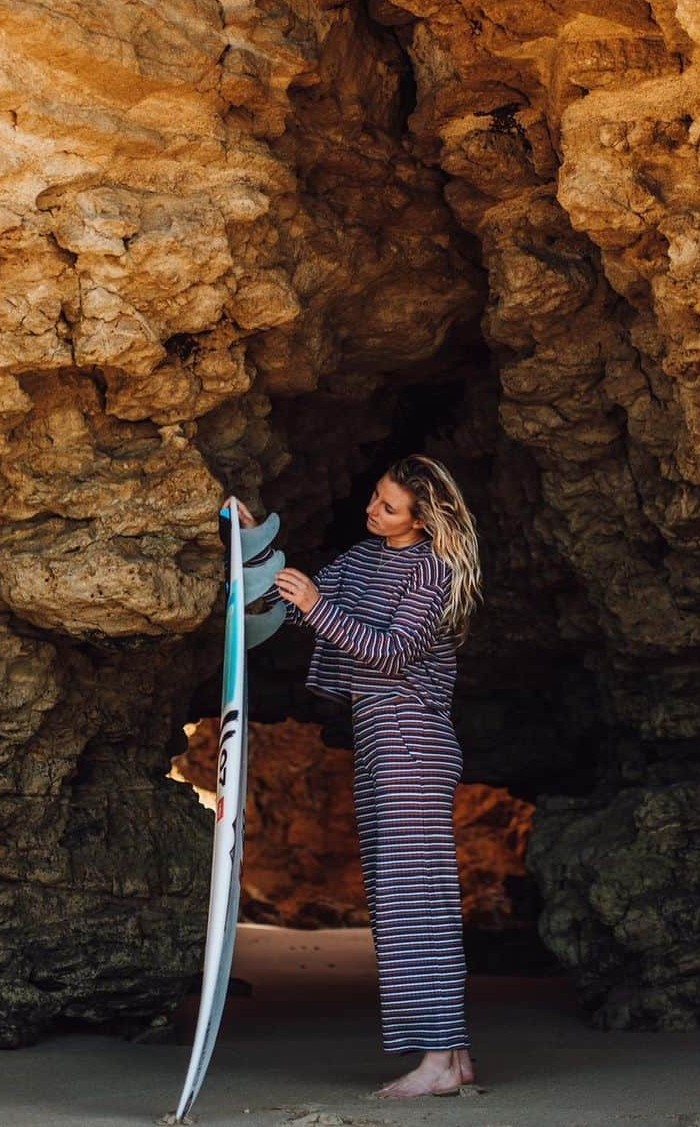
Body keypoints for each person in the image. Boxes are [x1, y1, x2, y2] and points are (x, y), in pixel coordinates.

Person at [231, 454, 484, 1098]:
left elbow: (391, 651)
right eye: (374, 496)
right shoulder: (366, 559)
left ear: (424, 519)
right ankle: (452, 1058)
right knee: (408, 898)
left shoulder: (434, 571)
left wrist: (316, 604)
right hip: (380, 740)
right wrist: (255, 543)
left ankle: (434, 1063)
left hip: (415, 744)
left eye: (389, 506)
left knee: (410, 904)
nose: (373, 510)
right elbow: (297, 602)